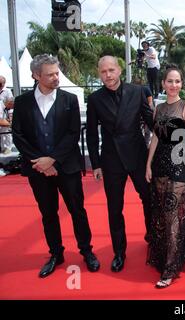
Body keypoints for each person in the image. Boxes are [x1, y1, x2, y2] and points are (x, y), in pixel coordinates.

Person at [12, 54, 100, 278]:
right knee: (48, 213)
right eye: (50, 74)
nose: (55, 77)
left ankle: (86, 251)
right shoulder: (22, 102)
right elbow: (18, 136)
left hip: (66, 166)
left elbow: (72, 134)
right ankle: (56, 254)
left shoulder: (69, 99)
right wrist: (40, 161)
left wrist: (52, 159)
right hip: (37, 169)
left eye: (56, 73)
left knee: (77, 210)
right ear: (36, 75)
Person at [86, 56, 153, 272]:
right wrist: (95, 164)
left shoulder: (137, 91)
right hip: (111, 160)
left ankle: (153, 237)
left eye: (111, 70)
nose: (108, 75)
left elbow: (150, 119)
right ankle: (119, 252)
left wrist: (172, 135)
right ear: (99, 74)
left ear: (119, 70)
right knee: (115, 208)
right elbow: (92, 133)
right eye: (104, 71)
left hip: (137, 156)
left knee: (149, 198)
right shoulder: (95, 99)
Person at [145, 65, 185, 288]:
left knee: (173, 216)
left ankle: (170, 268)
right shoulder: (158, 109)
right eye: (170, 81)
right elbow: (155, 139)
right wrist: (148, 164)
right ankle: (166, 258)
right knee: (161, 214)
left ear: (182, 84)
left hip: (180, 164)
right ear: (163, 84)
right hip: (159, 164)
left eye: (177, 81)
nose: (174, 85)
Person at [0, 75, 14, 155]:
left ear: (4, 83)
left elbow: (11, 104)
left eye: (1, 83)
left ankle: (8, 147)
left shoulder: (7, 91)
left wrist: (10, 116)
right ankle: (2, 147)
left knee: (6, 132)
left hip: (5, 115)